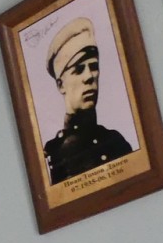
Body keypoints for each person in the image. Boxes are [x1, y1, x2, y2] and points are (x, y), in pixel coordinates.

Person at [41, 17, 132, 183]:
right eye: (79, 69)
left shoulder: (114, 141)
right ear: (61, 85)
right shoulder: (51, 155)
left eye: (94, 67)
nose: (90, 76)